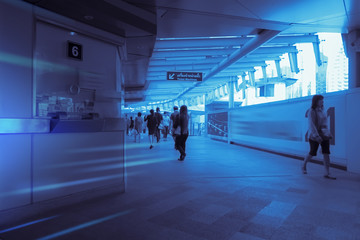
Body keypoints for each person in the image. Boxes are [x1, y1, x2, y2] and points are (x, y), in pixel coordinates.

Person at [302, 95, 336, 179]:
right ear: (316, 101)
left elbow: (324, 123)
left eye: (323, 100)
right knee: (312, 152)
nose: (323, 102)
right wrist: (316, 136)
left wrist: (328, 133)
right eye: (321, 100)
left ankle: (327, 172)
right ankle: (304, 165)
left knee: (326, 153)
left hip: (324, 135)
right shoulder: (312, 111)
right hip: (314, 136)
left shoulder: (322, 110)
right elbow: (311, 125)